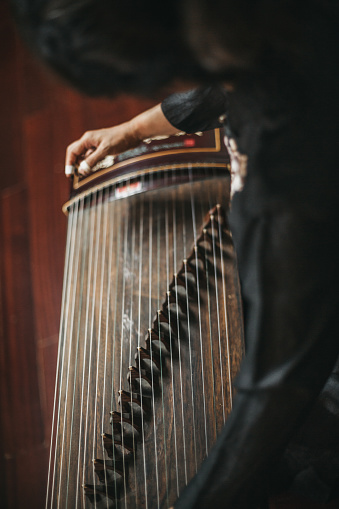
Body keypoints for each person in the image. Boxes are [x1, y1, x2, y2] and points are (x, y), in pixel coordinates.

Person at [11, 0, 339, 507]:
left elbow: (279, 383)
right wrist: (131, 132)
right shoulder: (275, 24)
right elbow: (229, 76)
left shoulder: (287, 175)